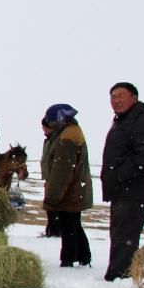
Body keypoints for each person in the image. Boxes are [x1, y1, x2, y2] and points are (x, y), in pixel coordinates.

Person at [102, 82, 144, 281]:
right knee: (119, 236)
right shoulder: (124, 120)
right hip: (123, 190)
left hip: (133, 189)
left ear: (134, 98)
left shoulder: (141, 119)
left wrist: (120, 175)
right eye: (112, 97)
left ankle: (120, 277)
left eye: (120, 96)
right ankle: (118, 275)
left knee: (125, 237)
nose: (115, 101)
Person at [41, 104, 92, 267]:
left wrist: (53, 197)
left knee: (68, 225)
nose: (50, 124)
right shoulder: (73, 131)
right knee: (74, 224)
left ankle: (68, 261)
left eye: (52, 121)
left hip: (69, 192)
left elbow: (62, 171)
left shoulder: (67, 137)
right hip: (75, 189)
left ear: (60, 119)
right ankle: (84, 256)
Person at [39, 117, 61, 238]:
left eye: (44, 126)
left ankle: (55, 231)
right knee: (49, 206)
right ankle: (51, 230)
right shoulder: (48, 140)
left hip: (54, 178)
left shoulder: (55, 139)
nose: (42, 128)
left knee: (53, 206)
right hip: (49, 178)